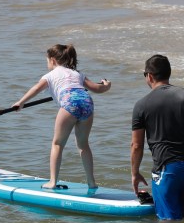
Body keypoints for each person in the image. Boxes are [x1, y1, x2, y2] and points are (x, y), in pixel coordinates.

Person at [13, 44, 111, 189]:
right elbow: (97, 88)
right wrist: (107, 85)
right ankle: (91, 182)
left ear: (52, 60)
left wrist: (20, 102)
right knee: (83, 144)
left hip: (69, 103)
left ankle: (52, 182)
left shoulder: (50, 75)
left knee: (57, 144)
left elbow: (36, 89)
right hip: (87, 102)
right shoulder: (77, 74)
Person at [131, 54, 184, 220]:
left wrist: (135, 172)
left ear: (150, 76)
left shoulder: (142, 105)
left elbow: (136, 145)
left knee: (169, 222)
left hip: (167, 169)